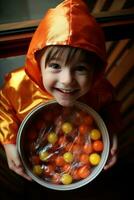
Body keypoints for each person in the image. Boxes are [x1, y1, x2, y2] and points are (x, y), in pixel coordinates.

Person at [0, 0, 121, 182]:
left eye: (80, 68)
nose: (66, 80)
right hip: (27, 157)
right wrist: (9, 142)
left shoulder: (99, 89)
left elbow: (110, 106)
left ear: (94, 71)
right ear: (38, 64)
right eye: (55, 65)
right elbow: (3, 107)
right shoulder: (19, 86)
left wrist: (110, 130)